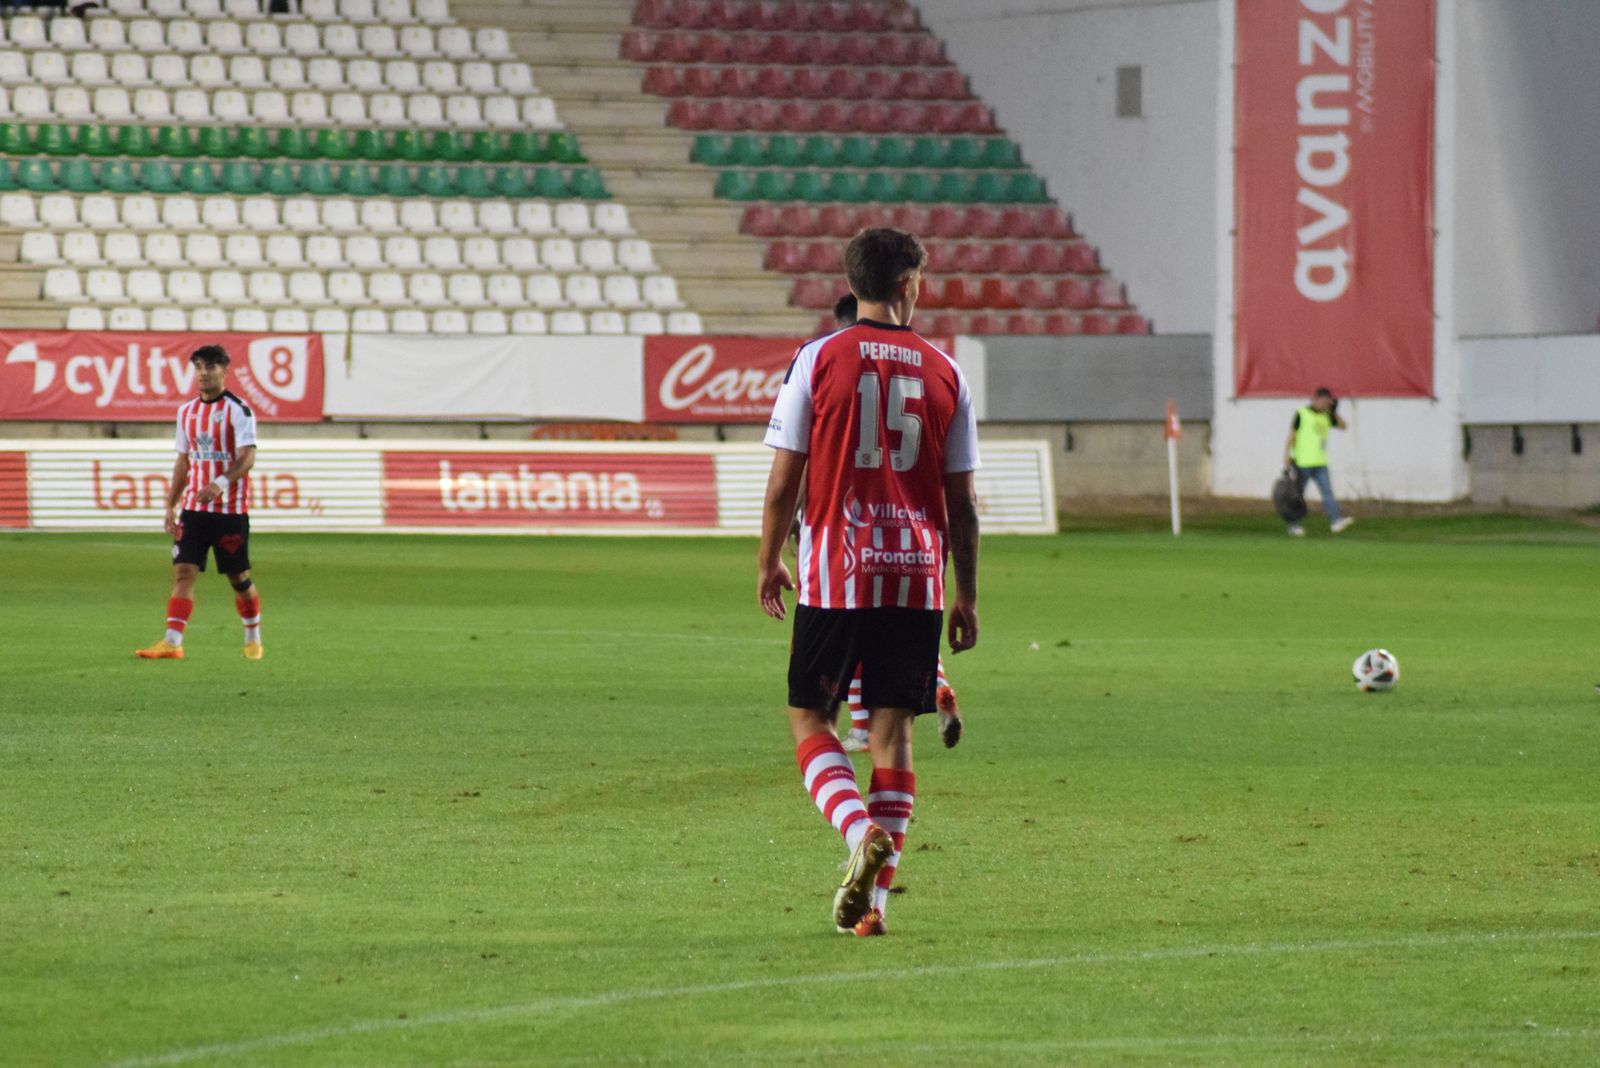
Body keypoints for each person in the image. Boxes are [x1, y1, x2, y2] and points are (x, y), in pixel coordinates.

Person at [757, 228, 981, 937]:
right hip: (915, 579)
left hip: (836, 571)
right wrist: (965, 593)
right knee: (892, 737)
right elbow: (963, 505)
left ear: (855, 284)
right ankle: (873, 911)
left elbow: (783, 483)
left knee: (809, 720)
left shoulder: (818, 358)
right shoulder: (946, 370)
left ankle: (857, 833)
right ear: (907, 282)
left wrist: (768, 559)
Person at [829, 291, 963, 754]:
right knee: (905, 640)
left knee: (853, 642)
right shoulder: (933, 368)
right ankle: (939, 684)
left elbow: (810, 461)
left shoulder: (835, 369)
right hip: (918, 543)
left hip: (853, 536)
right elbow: (959, 489)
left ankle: (863, 728)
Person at [136, 345, 264, 661]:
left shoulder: (239, 410)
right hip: (194, 510)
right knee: (183, 572)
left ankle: (253, 636)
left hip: (229, 512)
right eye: (199, 367)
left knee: (238, 578)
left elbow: (248, 458)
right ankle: (172, 642)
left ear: (225, 370)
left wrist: (220, 484)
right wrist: (171, 504)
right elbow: (183, 462)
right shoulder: (186, 412)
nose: (204, 373)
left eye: (211, 367)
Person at [1284, 387, 1355, 536]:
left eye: (1327, 402)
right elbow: (1292, 435)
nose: (1324, 405)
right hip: (1303, 462)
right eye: (1322, 401)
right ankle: (1293, 525)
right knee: (1298, 495)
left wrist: (1334, 411)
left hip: (1320, 462)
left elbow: (1344, 426)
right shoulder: (1302, 413)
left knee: (1327, 492)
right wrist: (1287, 456)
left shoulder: (1326, 416)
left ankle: (1335, 521)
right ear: (1314, 399)